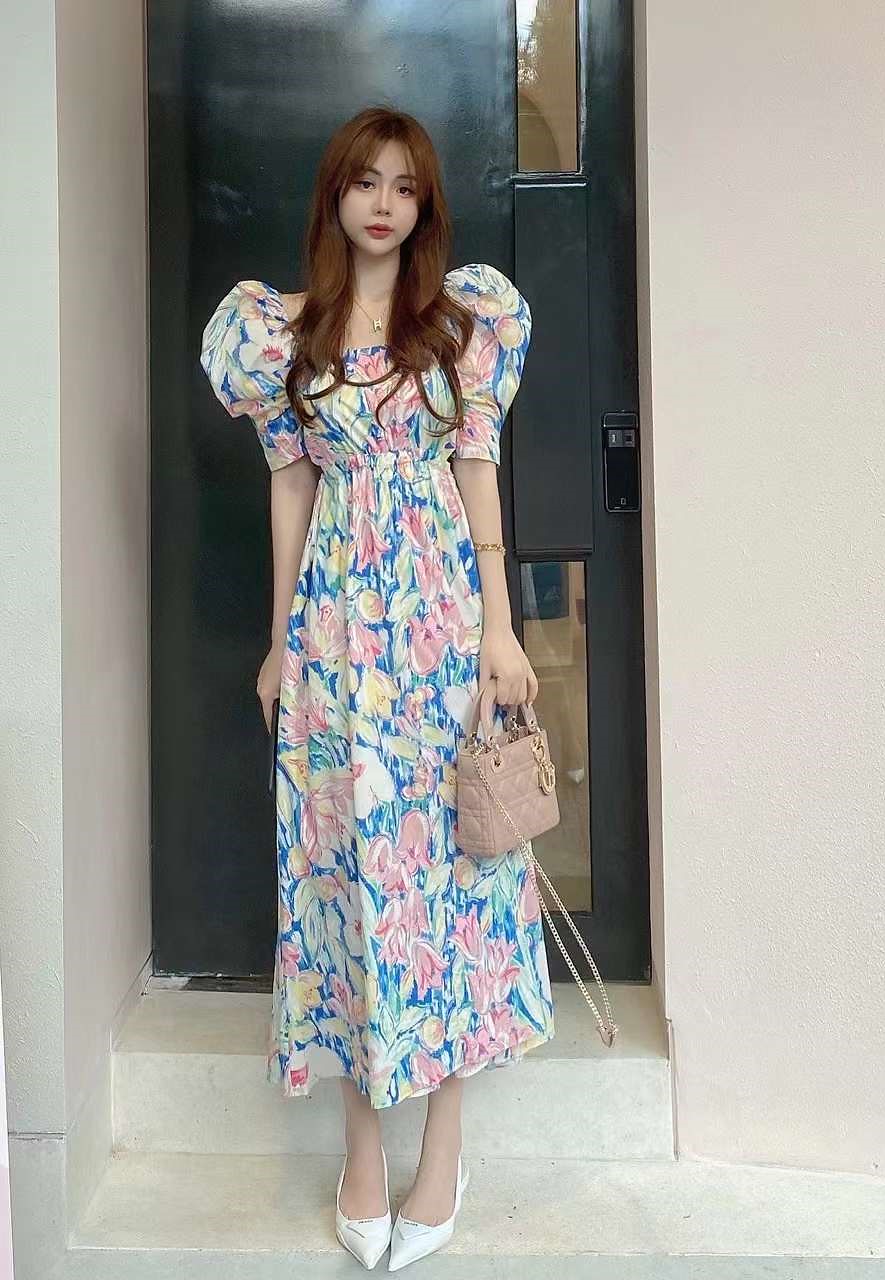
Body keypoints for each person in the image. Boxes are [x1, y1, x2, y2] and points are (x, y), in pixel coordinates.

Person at [199, 105, 555, 1271]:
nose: (384, 203)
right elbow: (291, 487)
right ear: (337, 196)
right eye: (366, 181)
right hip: (336, 643)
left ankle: (441, 1147)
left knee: (449, 876)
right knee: (347, 877)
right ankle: (362, 1147)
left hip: (442, 630)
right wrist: (278, 642)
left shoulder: (459, 327)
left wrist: (501, 629)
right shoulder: (283, 336)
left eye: (404, 185)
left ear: (424, 205)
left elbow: (476, 470)